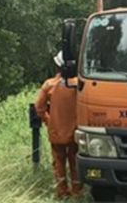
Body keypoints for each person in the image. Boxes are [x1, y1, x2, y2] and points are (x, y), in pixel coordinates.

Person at [35, 51, 81, 199]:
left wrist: (49, 121)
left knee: (59, 163)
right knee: (75, 162)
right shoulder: (79, 84)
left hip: (56, 132)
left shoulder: (49, 85)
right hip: (75, 132)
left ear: (57, 66)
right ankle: (77, 192)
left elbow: (39, 108)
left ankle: (62, 193)